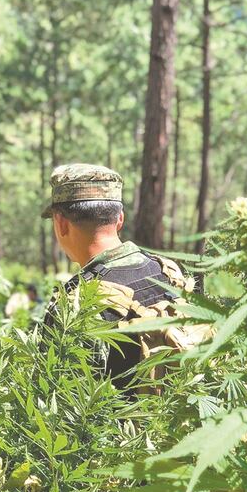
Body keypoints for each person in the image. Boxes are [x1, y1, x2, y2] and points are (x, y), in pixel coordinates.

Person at [41, 163, 190, 391]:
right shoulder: (169, 272)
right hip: (175, 422)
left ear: (61, 223)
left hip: (113, 427)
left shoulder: (75, 304)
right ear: (120, 219)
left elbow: (55, 398)